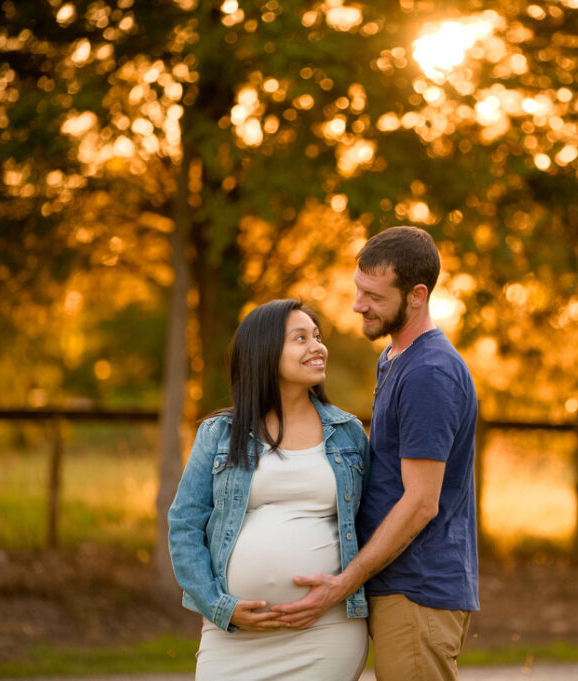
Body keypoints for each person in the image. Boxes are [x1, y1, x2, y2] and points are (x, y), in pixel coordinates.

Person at [273, 227, 479, 681]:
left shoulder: (429, 373)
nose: (357, 304)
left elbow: (422, 501)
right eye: (357, 289)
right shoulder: (396, 358)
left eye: (373, 295)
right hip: (398, 588)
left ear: (417, 295)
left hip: (418, 591)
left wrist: (344, 582)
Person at [167, 299, 370, 681]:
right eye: (300, 338)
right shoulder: (219, 434)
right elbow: (184, 525)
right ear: (265, 351)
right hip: (233, 636)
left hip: (324, 631)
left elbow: (371, 527)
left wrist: (344, 586)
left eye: (317, 336)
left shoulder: (348, 434)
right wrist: (218, 606)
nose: (317, 346)